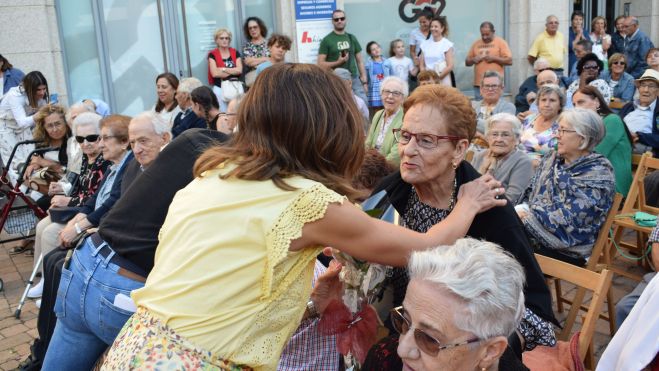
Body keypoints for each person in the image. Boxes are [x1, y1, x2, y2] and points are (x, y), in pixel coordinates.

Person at [100, 63, 506, 370]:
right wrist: (468, 204)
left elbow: (226, 290)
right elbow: (425, 247)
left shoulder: (216, 174)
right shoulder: (303, 201)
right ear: (327, 127)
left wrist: (308, 301)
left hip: (139, 348)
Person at [364, 85, 555, 357]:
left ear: (459, 149)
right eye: (405, 136)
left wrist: (475, 354)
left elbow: (535, 312)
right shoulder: (392, 191)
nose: (408, 150)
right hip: (401, 331)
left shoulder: (491, 211)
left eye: (426, 140)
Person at [364, 239, 531, 371]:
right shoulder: (383, 359)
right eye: (404, 321)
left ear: (489, 351)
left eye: (429, 339)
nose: (402, 349)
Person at [28, 112, 111, 300]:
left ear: (102, 137)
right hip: (76, 209)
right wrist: (62, 190)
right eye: (80, 139)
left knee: (50, 232)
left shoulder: (104, 160)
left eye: (92, 138)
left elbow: (96, 199)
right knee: (41, 226)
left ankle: (52, 287)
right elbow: (76, 185)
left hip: (88, 215)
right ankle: (43, 278)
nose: (86, 143)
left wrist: (68, 201)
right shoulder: (84, 157)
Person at [517, 108, 616, 265]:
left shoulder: (598, 174)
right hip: (533, 231)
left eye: (563, 130)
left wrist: (527, 216)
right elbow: (530, 193)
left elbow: (571, 222)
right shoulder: (552, 159)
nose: (556, 135)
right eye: (557, 129)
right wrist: (521, 211)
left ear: (582, 137)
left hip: (568, 248)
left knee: (504, 237)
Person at [55, 115, 134, 249]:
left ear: (124, 142)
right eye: (80, 139)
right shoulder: (111, 164)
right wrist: (73, 223)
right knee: (51, 251)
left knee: (52, 244)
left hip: (106, 228)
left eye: (103, 138)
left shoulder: (126, 166)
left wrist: (77, 228)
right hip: (93, 220)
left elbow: (111, 203)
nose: (100, 144)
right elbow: (95, 198)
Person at [573, 86, 633, 196]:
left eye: (581, 102)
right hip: (589, 181)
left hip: (613, 188)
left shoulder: (612, 120)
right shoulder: (585, 127)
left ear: (596, 102)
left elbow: (595, 155)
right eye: (574, 104)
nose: (577, 108)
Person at [471, 113, 533, 203]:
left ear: (516, 139)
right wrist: (483, 168)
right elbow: (468, 188)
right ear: (487, 137)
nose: (499, 139)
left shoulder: (523, 161)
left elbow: (511, 199)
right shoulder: (480, 155)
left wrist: (490, 171)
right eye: (494, 134)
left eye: (505, 135)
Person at [0, 71, 49, 183]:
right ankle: (21, 191)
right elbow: (23, 122)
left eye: (44, 89)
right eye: (38, 90)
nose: (42, 93)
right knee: (15, 161)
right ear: (30, 88)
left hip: (22, 127)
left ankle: (36, 189)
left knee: (31, 157)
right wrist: (40, 115)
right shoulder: (15, 96)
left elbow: (44, 114)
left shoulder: (41, 96)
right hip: (5, 127)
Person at [23, 104, 71, 210]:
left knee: (42, 202)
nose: (54, 129)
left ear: (66, 123)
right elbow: (37, 159)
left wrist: (45, 163)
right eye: (50, 126)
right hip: (48, 183)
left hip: (69, 183)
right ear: (44, 127)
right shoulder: (42, 142)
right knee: (25, 174)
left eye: (58, 124)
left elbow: (68, 171)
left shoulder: (72, 142)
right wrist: (34, 164)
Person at [317, 9, 368, 103]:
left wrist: (364, 81)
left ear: (345, 20)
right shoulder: (327, 40)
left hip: (353, 78)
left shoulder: (352, 38)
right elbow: (320, 64)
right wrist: (338, 62)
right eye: (336, 19)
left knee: (363, 102)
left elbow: (360, 61)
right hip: (336, 79)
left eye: (342, 18)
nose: (339, 21)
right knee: (340, 106)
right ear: (332, 21)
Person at [365, 76, 407, 165]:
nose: (390, 96)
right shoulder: (378, 115)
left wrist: (376, 167)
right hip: (370, 164)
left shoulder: (405, 119)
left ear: (403, 98)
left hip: (387, 169)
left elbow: (396, 155)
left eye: (396, 93)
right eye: (386, 92)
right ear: (381, 94)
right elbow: (368, 143)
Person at [465, 21, 512, 100]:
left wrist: (494, 58)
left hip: (495, 85)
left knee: (497, 109)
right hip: (479, 85)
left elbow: (509, 61)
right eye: (482, 34)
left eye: (487, 34)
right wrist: (473, 60)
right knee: (481, 109)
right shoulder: (476, 43)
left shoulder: (501, 42)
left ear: (493, 32)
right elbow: (467, 62)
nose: (484, 37)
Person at [520, 84, 564, 164]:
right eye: (543, 100)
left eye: (552, 100)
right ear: (538, 103)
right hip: (520, 165)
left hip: (547, 169)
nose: (547, 104)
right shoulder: (529, 119)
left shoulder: (564, 124)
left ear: (560, 105)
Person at [620, 69, 659, 157]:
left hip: (642, 147)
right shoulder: (628, 107)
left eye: (651, 86)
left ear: (658, 90)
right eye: (643, 85)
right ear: (638, 88)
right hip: (620, 140)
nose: (646, 90)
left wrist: (638, 136)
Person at [207, 28, 243, 111]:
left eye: (227, 38)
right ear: (216, 40)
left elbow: (239, 70)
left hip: (235, 87)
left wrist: (222, 69)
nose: (224, 40)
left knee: (237, 113)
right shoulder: (212, 55)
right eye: (221, 38)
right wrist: (233, 71)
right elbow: (215, 73)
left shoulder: (235, 52)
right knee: (223, 114)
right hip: (220, 88)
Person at [473, 70, 515, 138]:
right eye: (486, 86)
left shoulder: (508, 107)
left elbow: (498, 130)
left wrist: (473, 122)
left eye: (494, 86)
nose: (490, 89)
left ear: (501, 89)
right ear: (481, 89)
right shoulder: (472, 106)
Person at [418, 16, 453, 86]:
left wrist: (437, 79)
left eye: (436, 26)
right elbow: (422, 65)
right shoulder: (424, 44)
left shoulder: (447, 44)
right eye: (432, 26)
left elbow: (450, 65)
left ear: (442, 28)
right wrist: (426, 78)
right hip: (428, 81)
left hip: (443, 79)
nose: (433, 29)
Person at [242, 16, 270, 87]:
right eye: (250, 28)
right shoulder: (247, 46)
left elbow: (273, 60)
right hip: (254, 80)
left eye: (255, 27)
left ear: (260, 27)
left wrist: (254, 60)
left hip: (269, 76)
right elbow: (249, 62)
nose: (252, 30)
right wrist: (265, 58)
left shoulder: (270, 43)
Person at [365, 41, 390, 110]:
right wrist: (366, 85)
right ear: (370, 53)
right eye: (373, 49)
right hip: (374, 89)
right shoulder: (368, 64)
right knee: (376, 108)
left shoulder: (387, 62)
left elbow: (392, 75)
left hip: (385, 87)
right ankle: (377, 120)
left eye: (377, 47)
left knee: (386, 106)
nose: (376, 50)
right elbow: (366, 77)